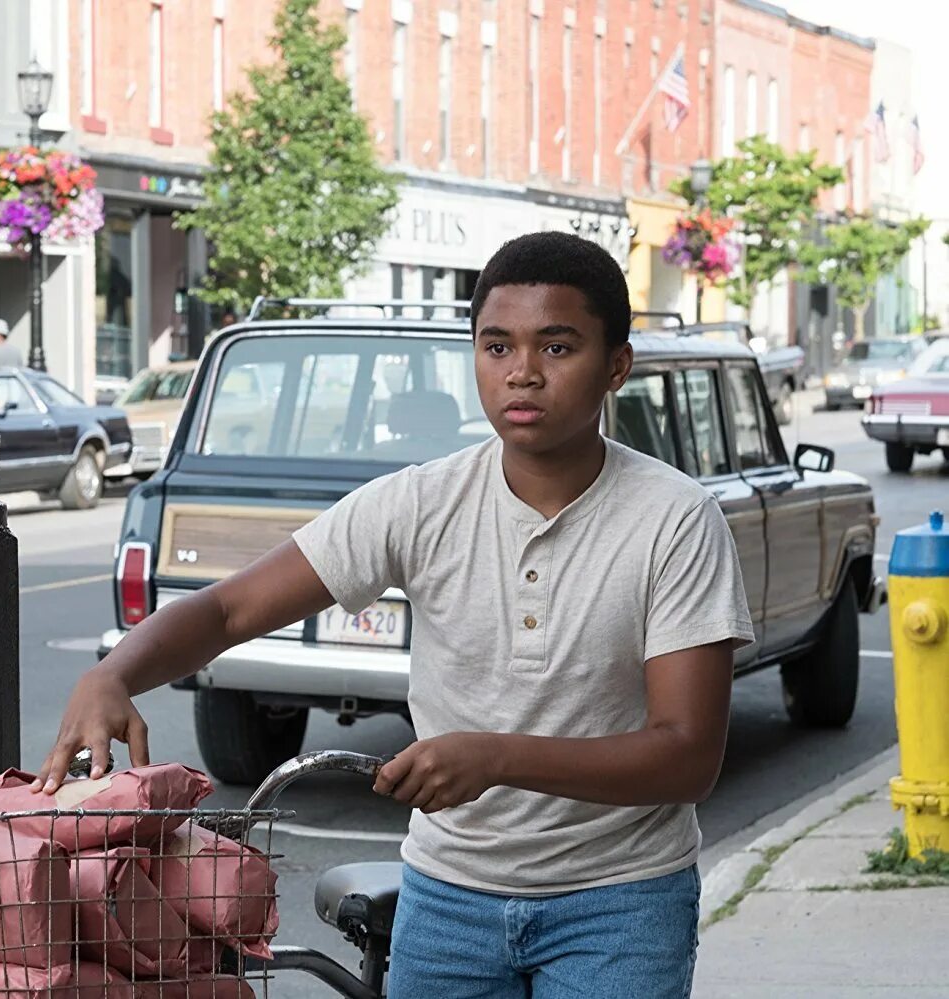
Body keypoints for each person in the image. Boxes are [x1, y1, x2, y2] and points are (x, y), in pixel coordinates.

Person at [37, 231, 752, 997]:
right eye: (496, 345)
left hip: (620, 901)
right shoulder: (421, 500)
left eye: (557, 346)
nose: (522, 372)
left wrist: (498, 756)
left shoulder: (675, 518)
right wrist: (113, 673)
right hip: (449, 898)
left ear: (617, 365)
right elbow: (231, 607)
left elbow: (687, 754)